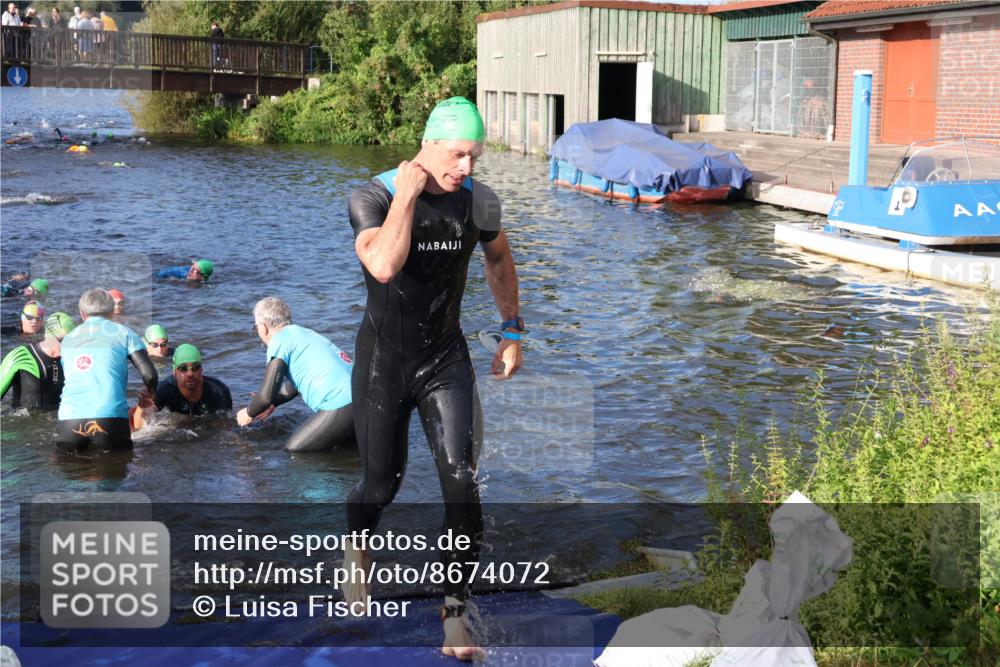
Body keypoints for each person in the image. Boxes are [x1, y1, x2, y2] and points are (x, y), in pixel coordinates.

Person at [346, 96, 524, 660]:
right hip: (384, 364)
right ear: (427, 145)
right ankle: (357, 549)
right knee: (382, 486)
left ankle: (453, 619)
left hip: (445, 358)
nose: (466, 167)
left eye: (475, 156)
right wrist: (407, 195)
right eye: (456, 155)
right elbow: (382, 265)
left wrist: (512, 329)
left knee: (461, 483)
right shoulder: (373, 196)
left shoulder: (479, 201)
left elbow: (498, 259)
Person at [236, 297, 354, 451]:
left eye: (255, 327)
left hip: (340, 402)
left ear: (263, 327)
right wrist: (274, 402)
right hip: (364, 395)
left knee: (294, 451)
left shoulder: (279, 341)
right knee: (347, 451)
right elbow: (295, 384)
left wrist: (248, 412)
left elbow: (265, 397)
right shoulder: (304, 333)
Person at [57, 288, 157, 452]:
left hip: (69, 419)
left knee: (70, 467)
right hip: (110, 417)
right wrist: (150, 393)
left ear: (82, 313)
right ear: (111, 312)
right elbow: (150, 375)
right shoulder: (124, 333)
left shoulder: (67, 339)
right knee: (115, 466)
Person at [0, 311, 74, 410]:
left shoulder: (73, 361)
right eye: (63, 340)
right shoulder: (20, 356)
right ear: (48, 336)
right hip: (24, 418)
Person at [138, 344, 231, 417]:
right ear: (174, 372)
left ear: (201, 370)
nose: (190, 374)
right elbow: (142, 427)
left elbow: (228, 423)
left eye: (195, 367)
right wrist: (143, 408)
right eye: (183, 368)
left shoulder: (219, 391)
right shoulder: (163, 390)